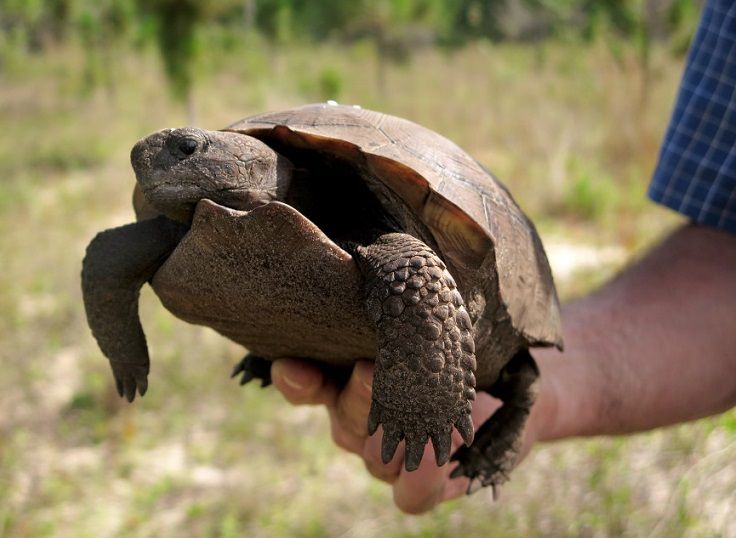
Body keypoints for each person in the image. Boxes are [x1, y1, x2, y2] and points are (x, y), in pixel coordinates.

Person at [270, 0, 736, 514]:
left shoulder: (399, 249)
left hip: (430, 278)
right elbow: (725, 252)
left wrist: (493, 393)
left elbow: (414, 270)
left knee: (424, 285)